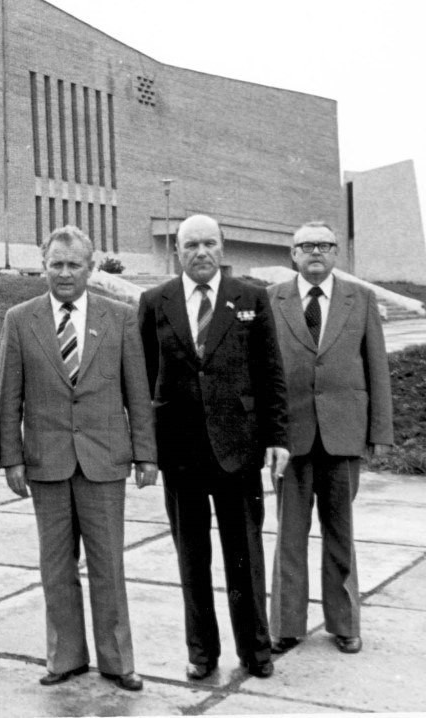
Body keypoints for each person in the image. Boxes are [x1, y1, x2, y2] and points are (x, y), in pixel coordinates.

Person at [0, 225, 157, 692]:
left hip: (104, 461)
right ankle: (65, 657)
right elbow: (10, 397)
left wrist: (146, 454)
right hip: (45, 462)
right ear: (43, 266)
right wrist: (12, 458)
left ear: (91, 268)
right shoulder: (20, 319)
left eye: (74, 265)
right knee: (56, 567)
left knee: (109, 564)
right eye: (57, 264)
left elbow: (137, 392)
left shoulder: (120, 317)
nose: (65, 273)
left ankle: (117, 661)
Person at [138, 213, 290, 681]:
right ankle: (202, 652)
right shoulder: (155, 301)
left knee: (244, 557)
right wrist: (146, 447)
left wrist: (277, 438)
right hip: (180, 452)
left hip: (237, 450)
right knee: (192, 559)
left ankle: (255, 651)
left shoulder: (250, 299)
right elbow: (143, 378)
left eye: (209, 243)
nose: (201, 252)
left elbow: (270, 372)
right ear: (177, 251)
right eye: (191, 245)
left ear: (222, 248)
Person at [268, 221, 393, 655]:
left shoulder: (361, 298)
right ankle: (286, 625)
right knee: (290, 534)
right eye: (307, 246)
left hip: (344, 435)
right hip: (290, 439)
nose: (316, 252)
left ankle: (345, 623)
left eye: (324, 245)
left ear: (336, 253)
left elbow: (376, 367)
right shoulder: (273, 299)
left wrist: (379, 431)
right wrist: (266, 435)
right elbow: (262, 370)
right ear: (293, 254)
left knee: (340, 533)